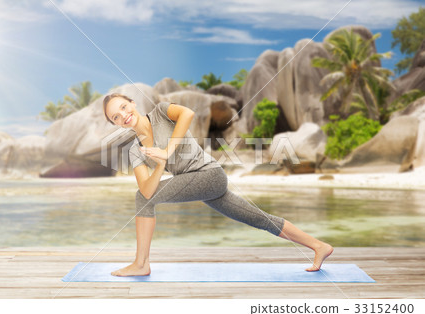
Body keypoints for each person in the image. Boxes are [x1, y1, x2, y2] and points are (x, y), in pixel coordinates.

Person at [103, 93, 333, 277]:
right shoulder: (135, 150)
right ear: (115, 124)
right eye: (115, 117)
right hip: (200, 184)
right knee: (257, 218)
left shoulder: (161, 112)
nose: (123, 115)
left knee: (142, 199)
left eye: (123, 107)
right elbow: (146, 189)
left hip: (209, 175)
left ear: (132, 102)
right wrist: (161, 164)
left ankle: (141, 263)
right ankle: (319, 246)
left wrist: (166, 151)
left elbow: (187, 113)